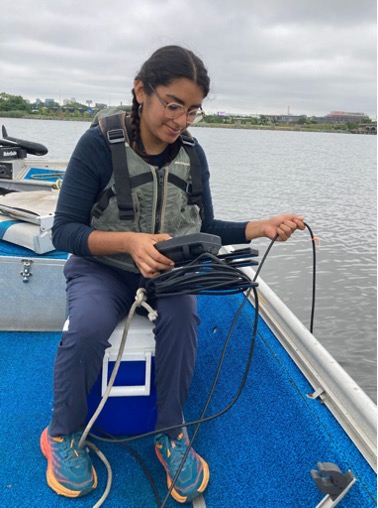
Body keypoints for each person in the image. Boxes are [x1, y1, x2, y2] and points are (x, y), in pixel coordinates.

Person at [40, 45, 305, 504]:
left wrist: (257, 227)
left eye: (193, 110)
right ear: (142, 91)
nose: (181, 120)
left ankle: (170, 433)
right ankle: (61, 433)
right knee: (86, 327)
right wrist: (129, 242)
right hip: (102, 268)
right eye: (173, 104)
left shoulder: (193, 156)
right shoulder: (98, 144)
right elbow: (63, 231)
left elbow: (203, 228)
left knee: (184, 320)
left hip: (167, 275)